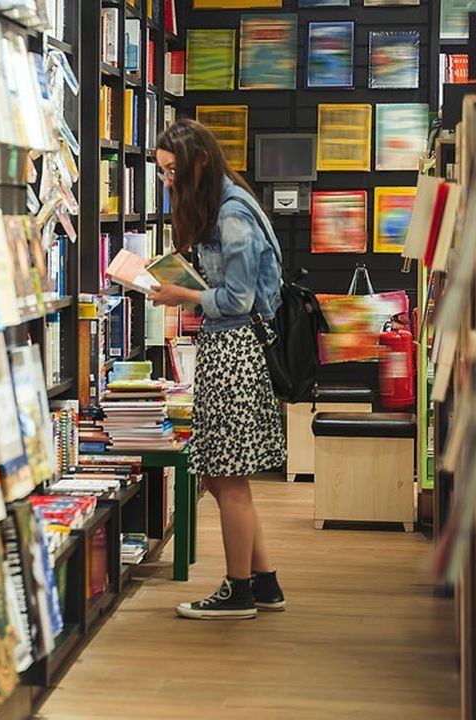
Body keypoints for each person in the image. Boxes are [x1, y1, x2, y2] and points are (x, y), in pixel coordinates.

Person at [148, 119, 287, 620]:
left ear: (198, 163)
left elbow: (237, 299)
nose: (167, 182)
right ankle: (264, 582)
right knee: (221, 476)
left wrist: (180, 293)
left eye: (171, 172)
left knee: (226, 478)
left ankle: (239, 589)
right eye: (162, 172)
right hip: (224, 350)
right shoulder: (222, 205)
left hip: (235, 354)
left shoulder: (231, 216)